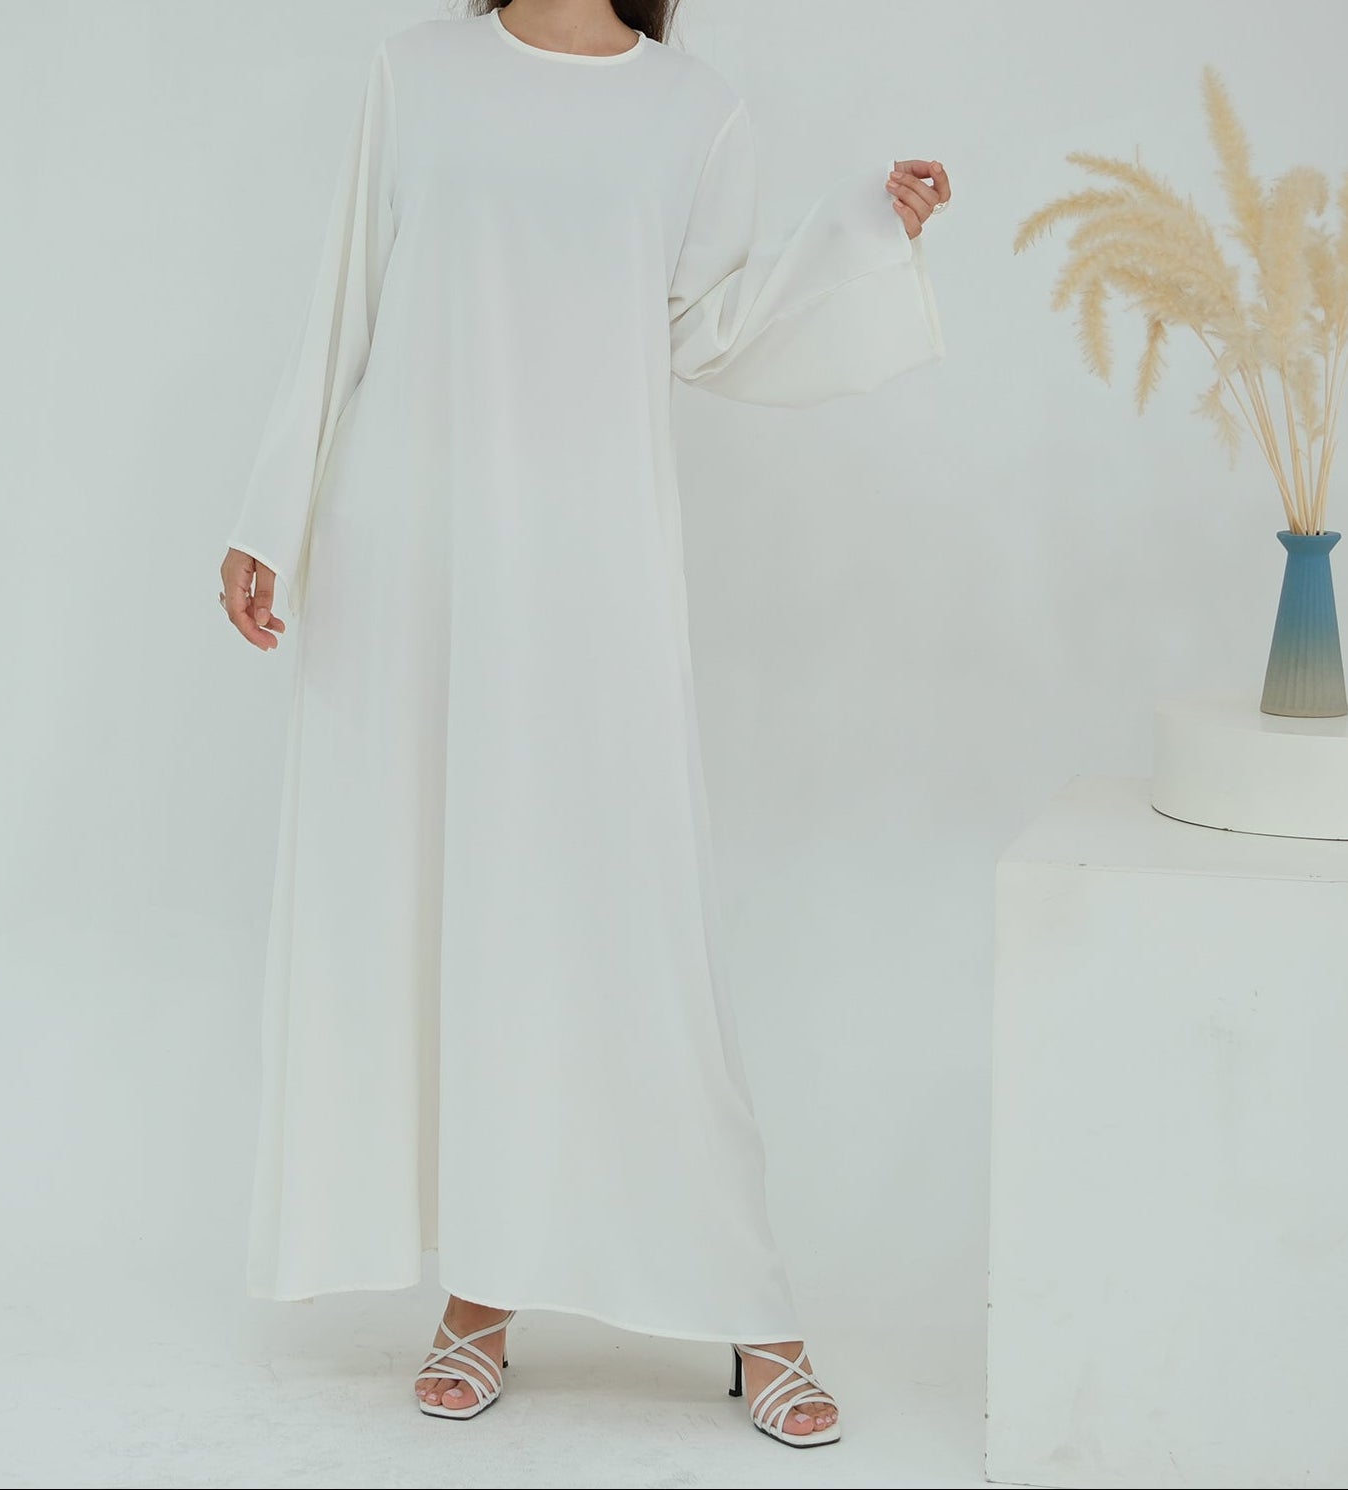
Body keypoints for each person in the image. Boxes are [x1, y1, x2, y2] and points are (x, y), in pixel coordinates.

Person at [217, 0, 950, 1449]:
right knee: (451, 912)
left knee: (627, 917)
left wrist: (865, 234)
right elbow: (343, 298)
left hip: (592, 559)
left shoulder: (692, 109)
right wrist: (273, 515)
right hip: (412, 549)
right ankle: (478, 1296)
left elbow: (713, 326)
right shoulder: (415, 69)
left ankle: (755, 1312)